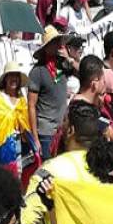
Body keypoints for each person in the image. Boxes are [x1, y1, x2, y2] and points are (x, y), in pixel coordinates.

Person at [28, 27, 68, 160]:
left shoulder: (62, 66)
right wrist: (35, 138)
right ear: (46, 47)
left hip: (62, 129)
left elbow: (83, 74)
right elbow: (31, 106)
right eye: (54, 42)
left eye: (58, 41)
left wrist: (69, 58)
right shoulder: (37, 71)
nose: (58, 45)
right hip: (46, 133)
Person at [0, 61, 32, 178]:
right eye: (11, 75)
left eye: (16, 76)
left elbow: (26, 122)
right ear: (5, 79)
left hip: (21, 144)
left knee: (20, 177)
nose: (14, 79)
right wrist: (15, 117)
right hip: (5, 148)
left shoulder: (21, 99)